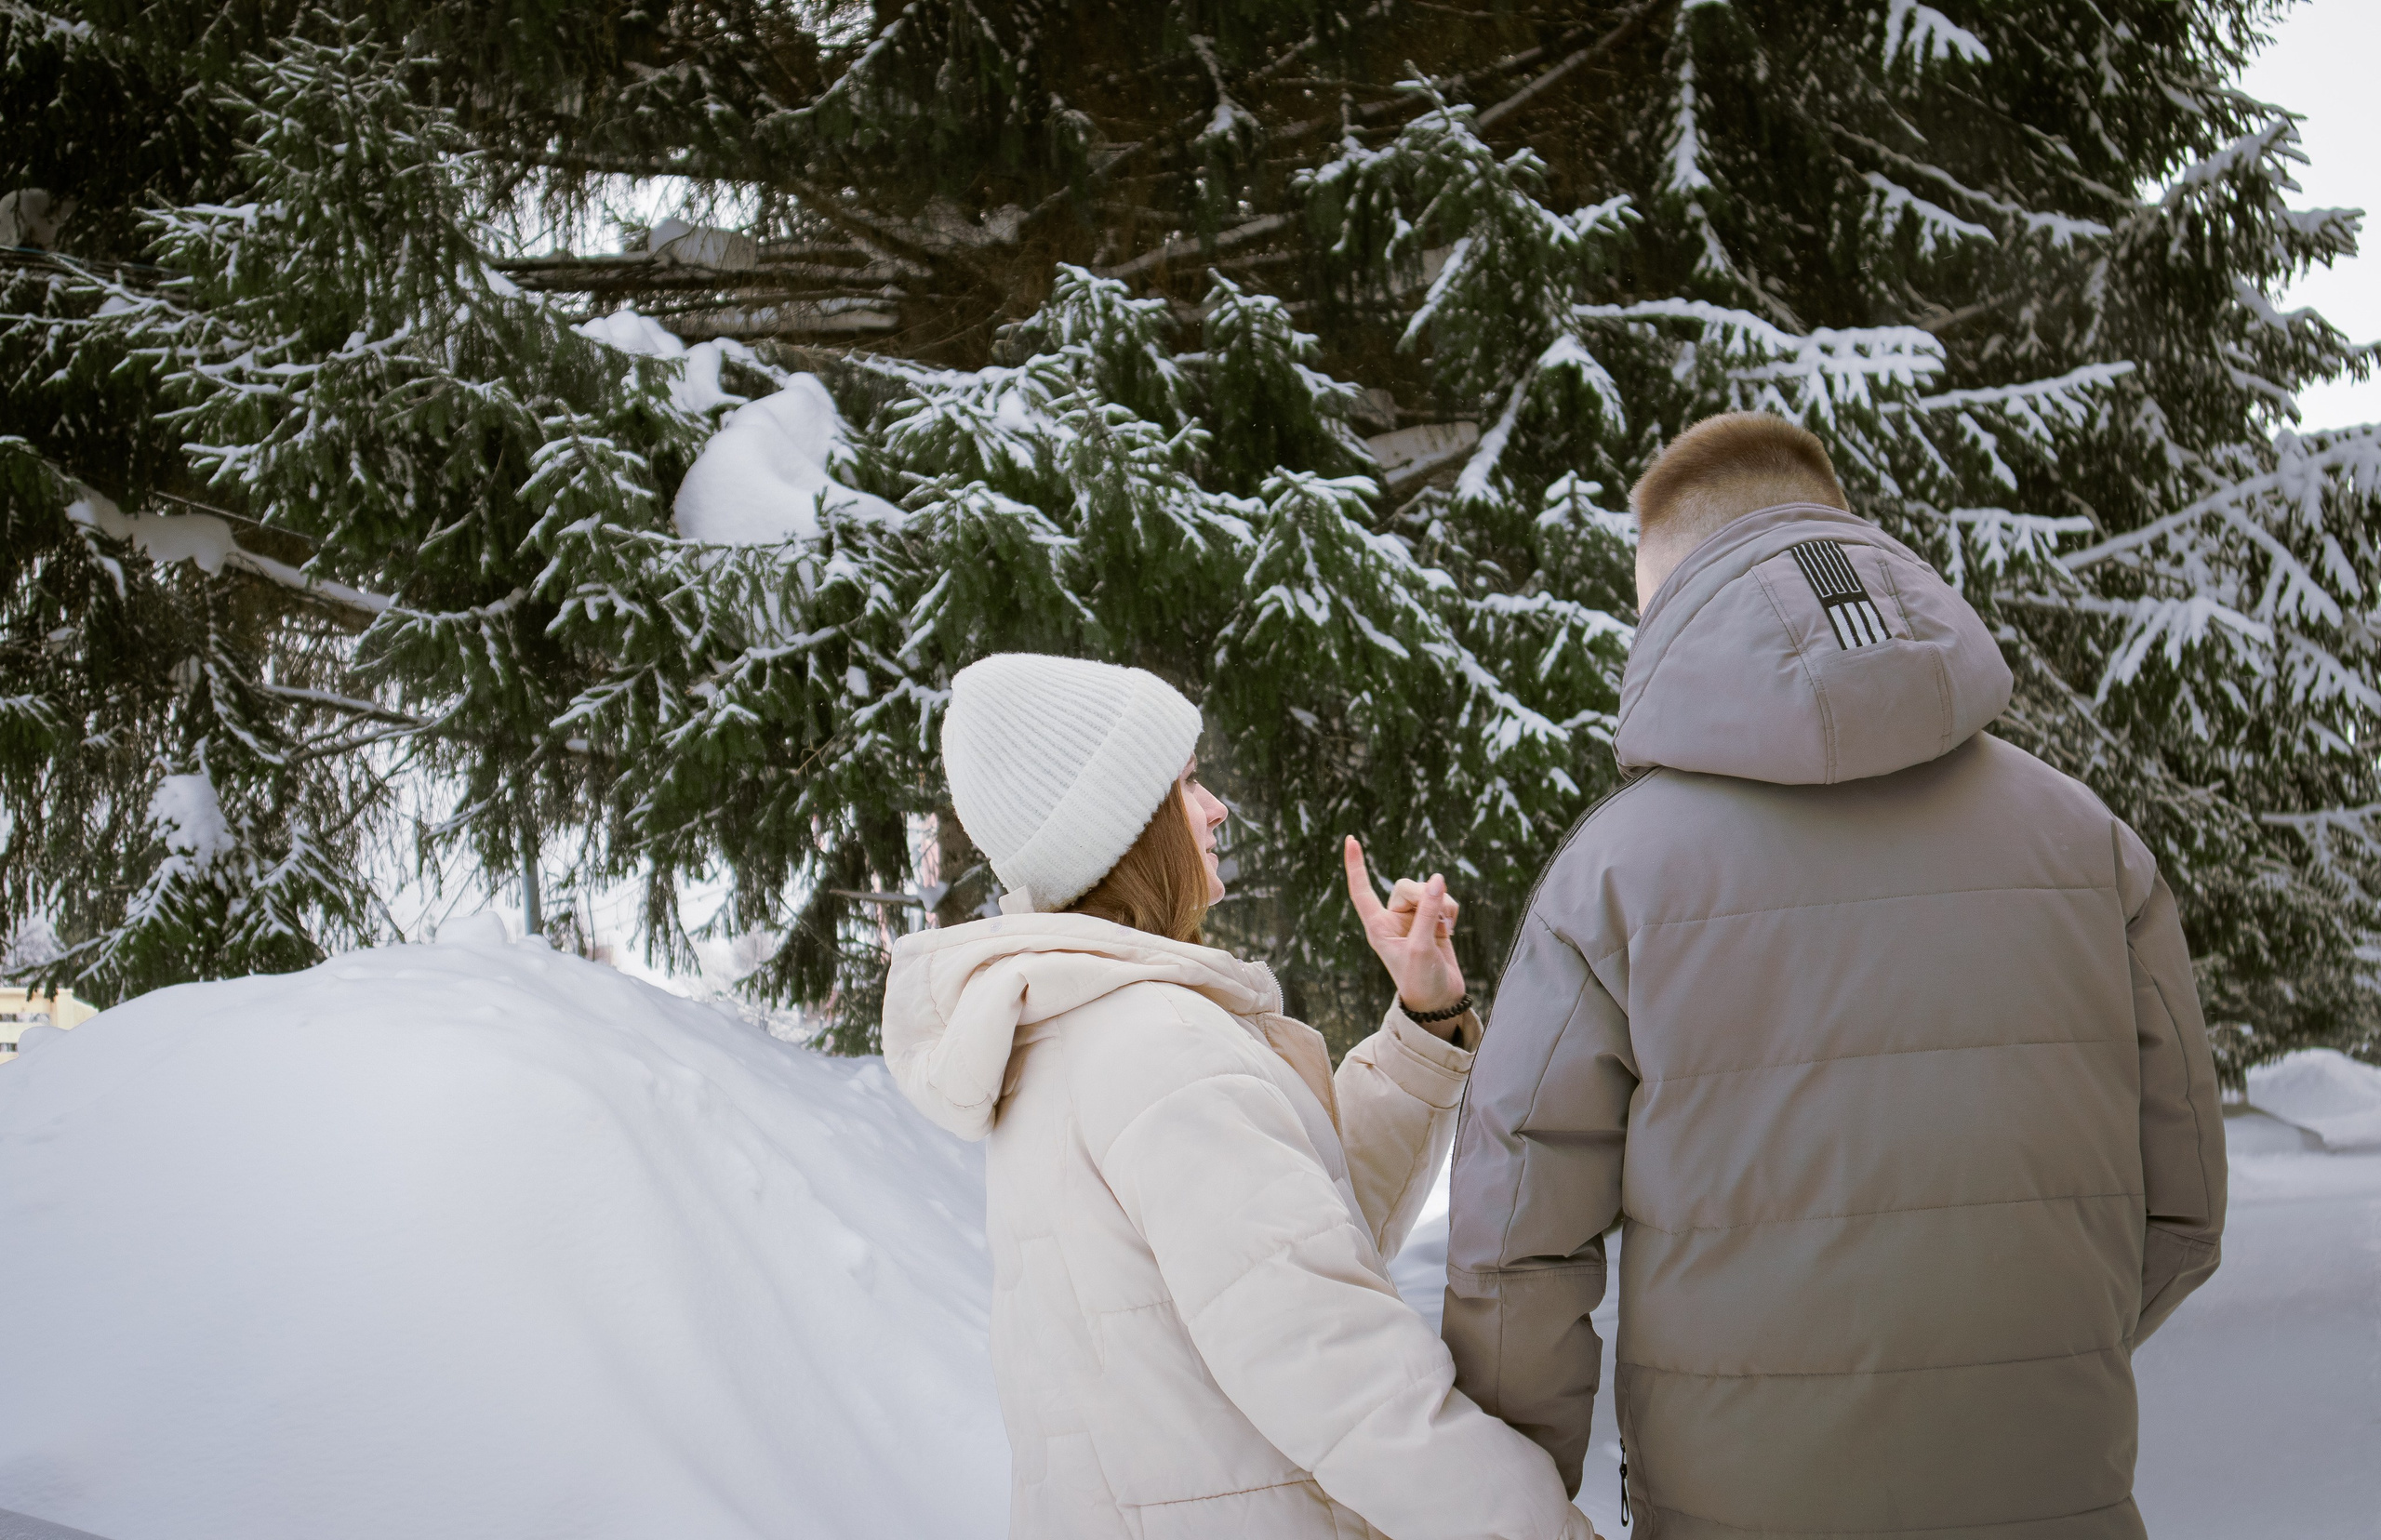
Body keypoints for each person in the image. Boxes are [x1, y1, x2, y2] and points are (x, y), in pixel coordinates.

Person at [1443, 413, 2228, 1539]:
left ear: (1670, 602)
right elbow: (2183, 1209)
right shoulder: (2084, 840)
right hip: (2053, 1494)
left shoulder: (1614, 875)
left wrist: (1519, 1494)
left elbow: (1516, 1245)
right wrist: (2001, 1363)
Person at [884, 652, 1593, 1540]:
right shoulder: (1154, 1048)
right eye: (1185, 784)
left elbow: (1285, 1247)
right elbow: (1338, 1374)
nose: (1216, 807)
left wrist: (1422, 1023)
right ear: (1123, 830)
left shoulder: (1069, 1031)